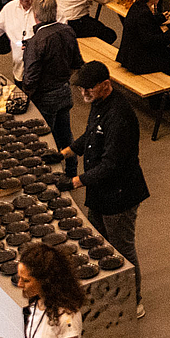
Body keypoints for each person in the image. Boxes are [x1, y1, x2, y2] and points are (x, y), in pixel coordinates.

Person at [66, 61, 150, 316]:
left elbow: (112, 164)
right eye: (81, 90)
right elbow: (91, 135)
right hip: (101, 192)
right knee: (98, 243)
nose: (83, 95)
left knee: (122, 249)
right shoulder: (99, 104)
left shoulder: (120, 114)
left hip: (120, 195)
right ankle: (108, 291)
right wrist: (66, 153)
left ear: (105, 85)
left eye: (88, 90)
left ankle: (133, 300)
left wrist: (75, 182)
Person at [3, 242, 85, 338]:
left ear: (46, 282)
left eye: (26, 280)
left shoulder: (66, 318)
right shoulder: (39, 301)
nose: (19, 284)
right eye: (19, 278)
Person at [22, 0, 81, 148]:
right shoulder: (68, 31)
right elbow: (76, 63)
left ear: (35, 15)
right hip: (64, 91)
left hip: (45, 97)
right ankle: (70, 169)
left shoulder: (36, 42)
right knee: (66, 135)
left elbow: (30, 79)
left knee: (46, 139)